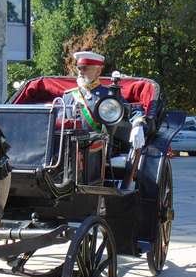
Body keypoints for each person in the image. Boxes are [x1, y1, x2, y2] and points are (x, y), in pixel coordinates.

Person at [61, 51, 147, 183]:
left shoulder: (109, 95)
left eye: (86, 68)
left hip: (101, 149)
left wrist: (138, 125)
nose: (81, 72)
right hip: (71, 149)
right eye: (79, 68)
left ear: (98, 71)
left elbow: (133, 111)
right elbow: (59, 123)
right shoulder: (68, 97)